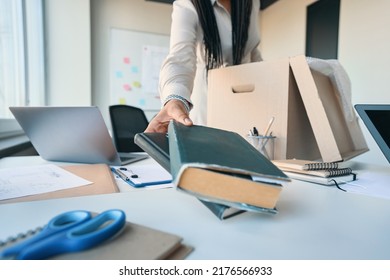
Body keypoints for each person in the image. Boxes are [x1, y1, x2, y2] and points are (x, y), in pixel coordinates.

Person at [145, 0, 262, 133]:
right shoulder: (187, 4)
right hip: (206, 101)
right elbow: (180, 58)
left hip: (246, 99)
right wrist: (175, 99)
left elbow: (251, 50)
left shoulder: (252, 3)